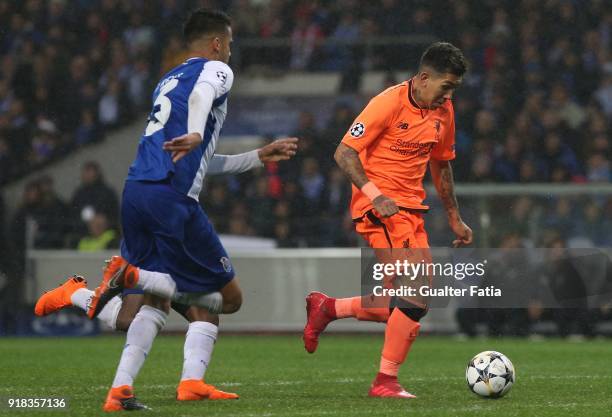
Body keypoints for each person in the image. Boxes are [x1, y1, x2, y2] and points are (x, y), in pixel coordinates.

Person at [36, 9, 297, 411]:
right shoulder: (216, 71)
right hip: (171, 199)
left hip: (137, 192)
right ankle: (136, 280)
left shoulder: (167, 80)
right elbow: (200, 99)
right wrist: (196, 129)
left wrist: (256, 157)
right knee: (226, 298)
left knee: (142, 310)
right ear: (216, 43)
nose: (230, 51)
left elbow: (203, 160)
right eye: (228, 43)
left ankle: (113, 368)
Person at [302, 42, 472, 398]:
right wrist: (375, 194)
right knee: (416, 293)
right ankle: (385, 382)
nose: (449, 95)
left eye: (454, 88)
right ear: (424, 78)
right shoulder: (388, 102)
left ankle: (329, 307)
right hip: (379, 207)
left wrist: (455, 218)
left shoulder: (445, 110)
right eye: (446, 86)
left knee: (407, 302)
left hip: (412, 211)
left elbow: (442, 163)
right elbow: (344, 152)